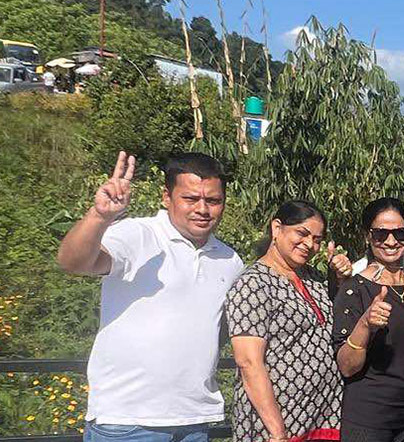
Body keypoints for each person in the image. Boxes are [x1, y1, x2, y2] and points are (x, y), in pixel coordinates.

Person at [58, 152, 243, 442]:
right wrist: (99, 216)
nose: (203, 209)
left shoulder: (230, 259)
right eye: (191, 199)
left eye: (213, 201)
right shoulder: (138, 235)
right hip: (127, 422)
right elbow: (74, 262)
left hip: (195, 420)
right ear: (166, 197)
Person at [225, 200, 343, 442]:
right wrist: (277, 431)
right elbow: (249, 362)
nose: (310, 244)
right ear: (277, 228)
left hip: (323, 416)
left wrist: (338, 278)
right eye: (302, 233)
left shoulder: (314, 278)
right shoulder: (253, 283)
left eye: (318, 239)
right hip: (276, 424)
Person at [333, 198, 404, 442]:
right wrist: (365, 324)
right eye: (380, 233)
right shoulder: (355, 289)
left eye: (400, 233)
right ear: (368, 236)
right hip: (368, 418)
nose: (390, 241)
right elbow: (347, 365)